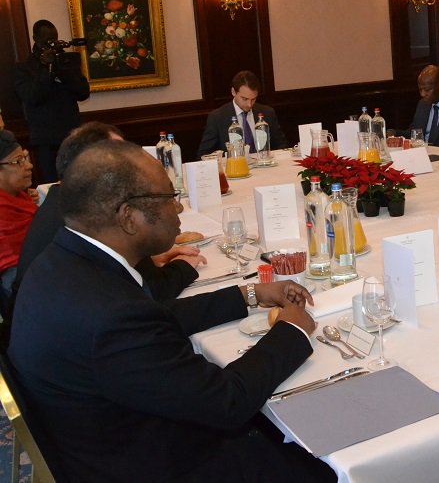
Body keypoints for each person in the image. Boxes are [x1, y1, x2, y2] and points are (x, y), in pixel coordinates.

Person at [8, 140, 334, 482]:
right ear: (129, 217)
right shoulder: (112, 317)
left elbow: (155, 316)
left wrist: (249, 294)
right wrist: (292, 331)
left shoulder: (60, 263)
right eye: (169, 196)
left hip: (97, 441)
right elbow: (227, 402)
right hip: (153, 464)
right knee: (325, 458)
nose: (178, 207)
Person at [14, 121, 206, 304]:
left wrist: (147, 259)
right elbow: (150, 294)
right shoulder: (88, 215)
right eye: (118, 157)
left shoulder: (62, 201)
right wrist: (183, 267)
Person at [13, 19, 90, 183]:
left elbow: (83, 93)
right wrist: (46, 70)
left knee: (80, 182)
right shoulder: (24, 68)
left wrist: (62, 71)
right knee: (52, 186)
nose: (51, 44)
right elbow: (32, 96)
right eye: (47, 40)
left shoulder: (65, 62)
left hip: (72, 135)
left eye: (54, 39)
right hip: (45, 139)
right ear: (36, 39)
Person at [197, 70, 288, 158]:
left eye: (253, 99)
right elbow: (204, 155)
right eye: (244, 99)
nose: (249, 104)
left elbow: (281, 146)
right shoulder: (217, 117)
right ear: (233, 92)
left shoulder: (267, 113)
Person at [0, 130, 37, 311]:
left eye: (25, 158)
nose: (29, 165)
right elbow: (12, 280)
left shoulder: (22, 197)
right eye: (18, 161)